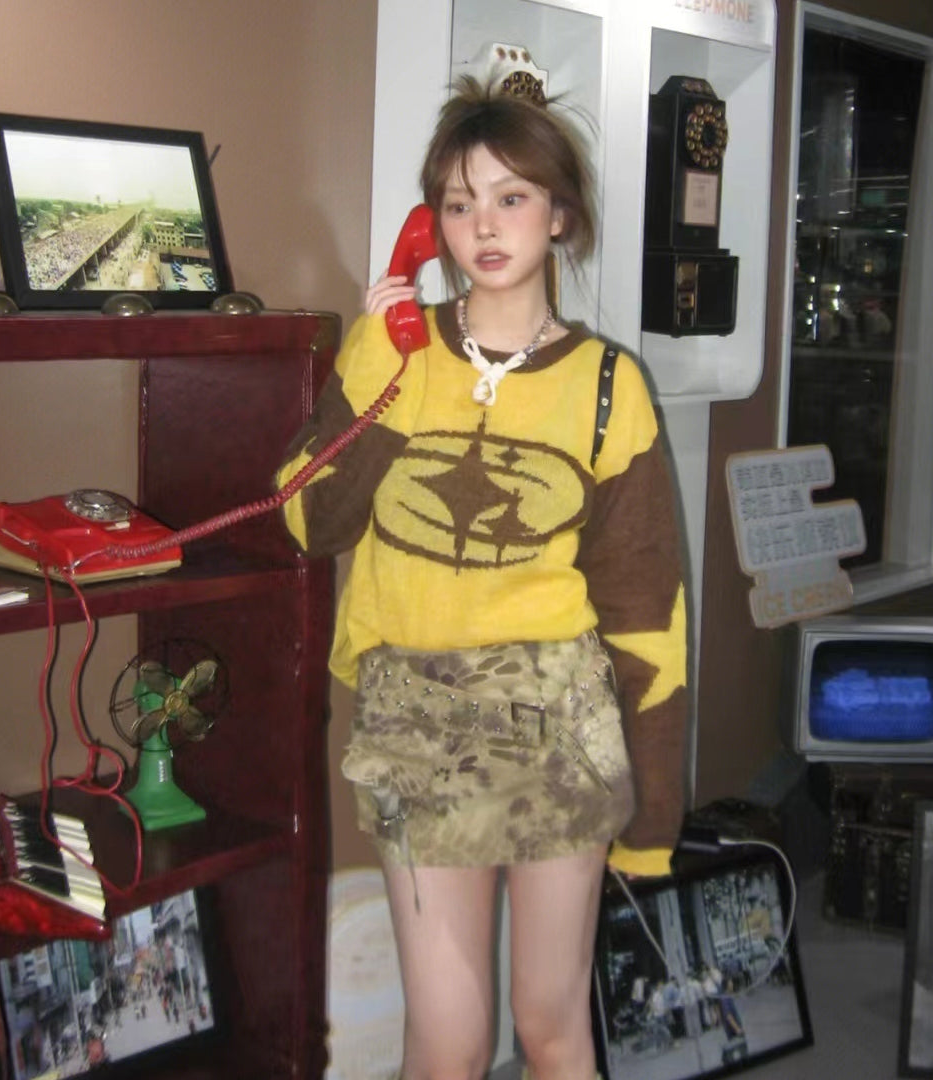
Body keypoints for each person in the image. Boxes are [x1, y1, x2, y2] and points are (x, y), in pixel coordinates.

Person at [277, 76, 687, 1080]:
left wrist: (654, 822)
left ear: (560, 214)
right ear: (430, 225)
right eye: (459, 204)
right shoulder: (396, 356)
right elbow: (310, 522)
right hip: (417, 723)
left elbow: (646, 612)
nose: (485, 226)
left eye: (512, 197)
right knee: (449, 1044)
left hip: (559, 723)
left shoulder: (610, 387)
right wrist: (385, 366)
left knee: (551, 1030)